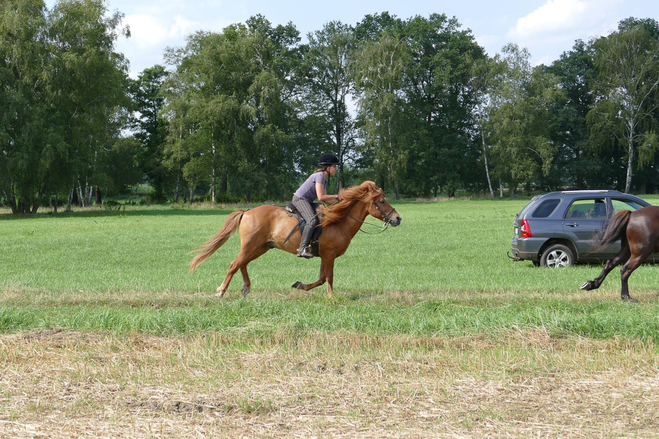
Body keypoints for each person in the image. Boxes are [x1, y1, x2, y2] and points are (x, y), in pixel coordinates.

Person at [292, 153, 340, 258]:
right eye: (334, 166)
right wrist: (336, 196)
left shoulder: (323, 178)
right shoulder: (319, 176)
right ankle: (302, 248)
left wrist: (338, 203)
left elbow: (325, 200)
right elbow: (321, 197)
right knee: (312, 220)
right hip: (300, 200)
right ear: (328, 167)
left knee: (323, 210)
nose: (335, 169)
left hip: (308, 201)